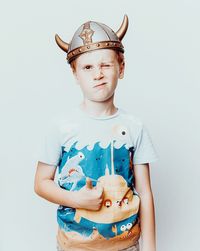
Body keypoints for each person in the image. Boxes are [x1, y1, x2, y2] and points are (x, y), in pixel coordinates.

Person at [34, 15, 158, 251]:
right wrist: (76, 200)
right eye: (88, 67)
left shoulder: (134, 126)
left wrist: (150, 247)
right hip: (75, 246)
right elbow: (40, 183)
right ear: (75, 74)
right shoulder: (61, 126)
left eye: (106, 65)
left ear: (121, 68)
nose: (97, 74)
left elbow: (145, 192)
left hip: (126, 245)